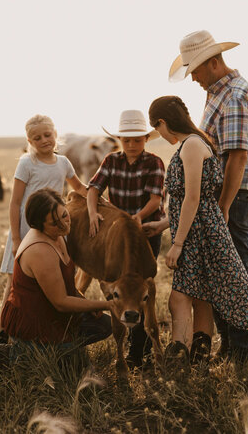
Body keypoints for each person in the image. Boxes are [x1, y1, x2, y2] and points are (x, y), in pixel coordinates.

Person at [151, 30, 248, 363]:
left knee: (235, 271)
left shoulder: (233, 96)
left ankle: (242, 351)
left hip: (233, 195)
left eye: (196, 72)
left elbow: (237, 157)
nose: (195, 79)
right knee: (219, 271)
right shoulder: (220, 92)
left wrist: (223, 206)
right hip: (218, 197)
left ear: (213, 63)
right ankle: (228, 345)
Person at [147, 96, 248, 370]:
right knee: (201, 296)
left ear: (162, 122)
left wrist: (177, 244)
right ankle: (198, 363)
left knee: (179, 298)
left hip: (198, 233)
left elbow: (193, 198)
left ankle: (178, 364)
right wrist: (163, 225)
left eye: (156, 128)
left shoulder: (193, 146)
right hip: (198, 228)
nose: (159, 135)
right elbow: (191, 199)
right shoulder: (194, 143)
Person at [0, 115, 88, 336]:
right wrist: (17, 239)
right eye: (37, 138)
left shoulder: (63, 162)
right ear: (29, 140)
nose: (44, 140)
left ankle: (49, 335)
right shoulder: (27, 163)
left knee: (56, 284)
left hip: (54, 231)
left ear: (56, 135)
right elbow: (15, 202)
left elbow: (80, 188)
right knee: (14, 288)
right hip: (26, 231)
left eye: (47, 135)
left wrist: (100, 200)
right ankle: (1, 335)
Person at [86, 109, 165, 369]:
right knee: (122, 284)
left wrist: (137, 218)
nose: (132, 145)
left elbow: (155, 199)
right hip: (119, 234)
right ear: (120, 139)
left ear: (146, 139)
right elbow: (94, 188)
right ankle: (129, 344)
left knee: (141, 287)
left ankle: (138, 350)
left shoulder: (154, 162)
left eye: (137, 140)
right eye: (127, 140)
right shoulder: (111, 160)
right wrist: (93, 212)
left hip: (145, 230)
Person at [0, 188, 113, 361]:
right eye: (54, 223)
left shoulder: (56, 234)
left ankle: (59, 348)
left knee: (104, 325)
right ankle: (22, 352)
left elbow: (65, 286)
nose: (64, 224)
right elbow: (60, 302)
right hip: (35, 324)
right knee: (74, 363)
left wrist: (88, 304)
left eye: (64, 215)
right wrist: (108, 305)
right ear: (39, 225)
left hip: (49, 313)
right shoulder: (40, 250)